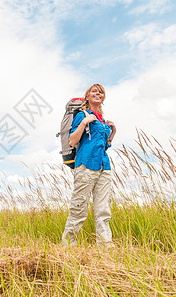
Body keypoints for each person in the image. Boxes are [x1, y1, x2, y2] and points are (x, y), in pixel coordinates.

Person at [62, 83, 116, 247]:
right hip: (85, 165)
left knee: (103, 210)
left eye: (101, 92)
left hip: (103, 167)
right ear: (87, 97)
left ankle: (106, 248)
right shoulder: (82, 114)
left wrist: (112, 133)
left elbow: (105, 146)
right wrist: (84, 122)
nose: (98, 93)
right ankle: (68, 247)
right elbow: (72, 140)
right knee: (79, 208)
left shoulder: (103, 121)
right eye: (94, 91)